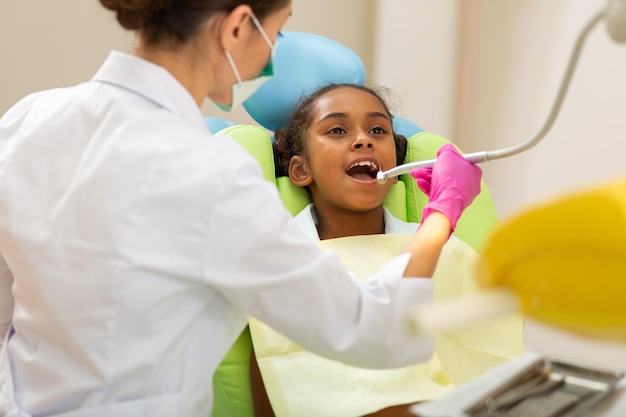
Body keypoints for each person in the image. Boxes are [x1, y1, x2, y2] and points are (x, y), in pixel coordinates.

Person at [0, 1, 482, 416]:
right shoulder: (210, 175)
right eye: (279, 29)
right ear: (236, 27)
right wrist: (442, 211)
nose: (276, 51)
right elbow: (371, 328)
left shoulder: (26, 119)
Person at [248, 83, 483, 417]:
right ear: (301, 170)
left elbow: (488, 368)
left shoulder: (449, 254)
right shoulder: (280, 264)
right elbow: (276, 383)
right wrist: (444, 211)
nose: (363, 140)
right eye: (337, 130)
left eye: (377, 129)